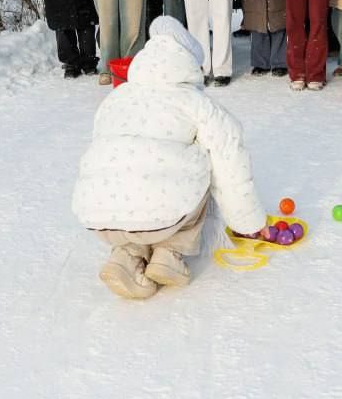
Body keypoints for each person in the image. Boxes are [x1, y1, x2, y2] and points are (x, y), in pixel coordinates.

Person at [71, 16, 267, 299]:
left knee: (136, 176)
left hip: (98, 215)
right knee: (202, 165)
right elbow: (229, 161)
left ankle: (125, 255)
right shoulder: (196, 103)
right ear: (189, 65)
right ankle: (169, 254)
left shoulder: (116, 97)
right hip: (161, 217)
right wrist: (249, 224)